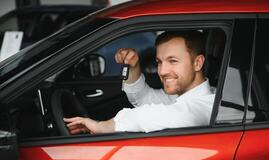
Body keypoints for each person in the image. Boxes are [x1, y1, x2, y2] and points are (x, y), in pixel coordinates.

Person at [64, 30, 215, 134]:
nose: (162, 71)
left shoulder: (208, 106)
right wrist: (133, 65)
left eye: (173, 61)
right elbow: (143, 98)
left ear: (197, 63)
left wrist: (99, 126)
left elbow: (144, 116)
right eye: (159, 62)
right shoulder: (185, 96)